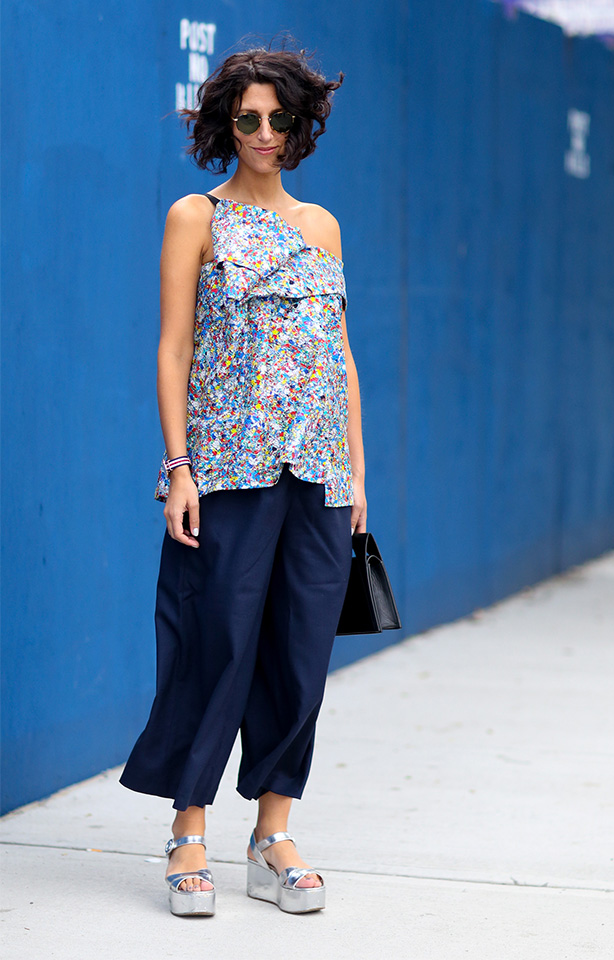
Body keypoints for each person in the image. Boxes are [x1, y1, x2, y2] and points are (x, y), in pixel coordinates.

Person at [119, 42, 366, 917]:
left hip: (319, 473)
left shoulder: (322, 226)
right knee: (215, 641)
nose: (264, 132)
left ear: (301, 126)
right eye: (248, 118)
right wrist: (178, 465)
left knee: (301, 654)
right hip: (228, 467)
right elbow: (173, 348)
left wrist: (357, 476)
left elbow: (339, 358)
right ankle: (188, 830)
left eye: (279, 118)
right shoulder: (197, 216)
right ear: (227, 124)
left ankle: (272, 833)